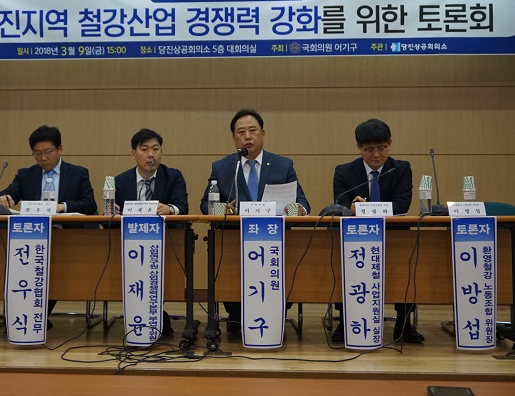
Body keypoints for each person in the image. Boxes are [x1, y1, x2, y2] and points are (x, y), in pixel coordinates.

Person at [200, 109, 310, 332]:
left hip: (275, 242)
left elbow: (302, 202)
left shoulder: (282, 165)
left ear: (263, 134)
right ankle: (235, 314)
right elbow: (206, 205)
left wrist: (298, 209)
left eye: (252, 131)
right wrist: (222, 209)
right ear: (234, 138)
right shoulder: (222, 167)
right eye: (241, 132)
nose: (247, 137)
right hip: (235, 241)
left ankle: (276, 314)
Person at [331, 118, 423, 343]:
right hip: (356, 236)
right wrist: (351, 209)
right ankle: (345, 320)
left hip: (394, 234)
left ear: (390, 144)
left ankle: (404, 323)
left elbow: (402, 205)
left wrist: (368, 208)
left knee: (405, 267)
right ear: (358, 148)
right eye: (369, 149)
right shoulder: (344, 172)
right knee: (342, 263)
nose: (376, 155)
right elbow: (341, 205)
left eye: (381, 148)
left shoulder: (401, 169)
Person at [0, 125, 97, 329]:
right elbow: (10, 193)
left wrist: (62, 206)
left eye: (48, 152)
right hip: (32, 237)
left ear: (59, 149)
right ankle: (29, 314)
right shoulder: (25, 174)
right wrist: (4, 197)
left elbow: (89, 204)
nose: (43, 158)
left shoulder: (78, 173)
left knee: (53, 265)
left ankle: (36, 314)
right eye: (37, 153)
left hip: (67, 238)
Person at [115, 128, 189, 336]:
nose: (151, 154)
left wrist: (170, 209)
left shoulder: (173, 176)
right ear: (133, 153)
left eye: (155, 149)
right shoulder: (120, 181)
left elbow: (182, 206)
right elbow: (110, 218)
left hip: (166, 242)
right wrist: (113, 213)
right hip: (130, 246)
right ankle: (146, 315)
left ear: (161, 152)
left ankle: (153, 314)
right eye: (145, 149)